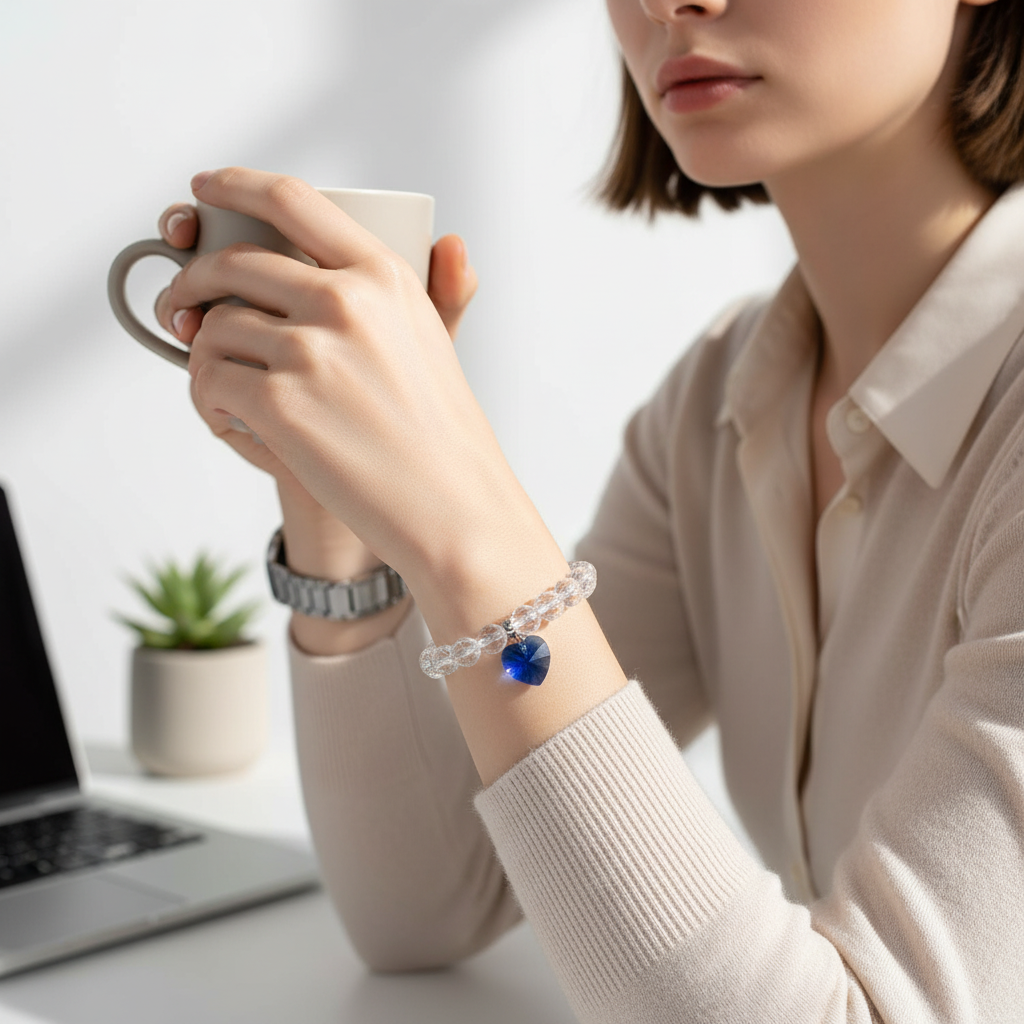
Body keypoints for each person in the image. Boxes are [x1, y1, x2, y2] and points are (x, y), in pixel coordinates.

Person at [150, 0, 1024, 1019]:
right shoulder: (718, 404)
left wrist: (461, 511)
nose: (666, 4)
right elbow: (426, 903)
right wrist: (336, 507)